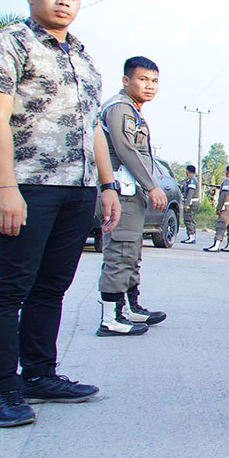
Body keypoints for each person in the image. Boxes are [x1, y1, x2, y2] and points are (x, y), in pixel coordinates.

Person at [0, 0, 121, 427]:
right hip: (27, 183)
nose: (63, 0)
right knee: (10, 289)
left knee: (52, 287)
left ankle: (39, 375)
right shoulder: (13, 44)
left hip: (77, 189)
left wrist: (106, 185)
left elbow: (93, 128)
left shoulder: (84, 57)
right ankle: (4, 387)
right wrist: (5, 186)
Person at [96, 56, 168, 335]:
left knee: (131, 252)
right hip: (120, 193)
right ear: (126, 81)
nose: (150, 86)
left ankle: (129, 309)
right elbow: (126, 150)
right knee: (120, 251)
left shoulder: (133, 110)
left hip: (130, 193)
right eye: (143, 80)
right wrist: (152, 185)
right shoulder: (120, 109)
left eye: (154, 81)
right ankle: (110, 319)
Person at [204, 165, 229, 252]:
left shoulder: (227, 181)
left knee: (221, 225)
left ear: (226, 172)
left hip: (227, 206)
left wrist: (219, 207)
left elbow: (224, 195)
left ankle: (216, 244)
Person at [180, 164, 199, 243]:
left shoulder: (192, 180)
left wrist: (187, 204)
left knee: (188, 220)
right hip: (194, 202)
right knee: (192, 219)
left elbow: (190, 193)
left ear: (187, 171)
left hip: (191, 203)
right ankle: (192, 236)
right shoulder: (191, 180)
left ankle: (191, 236)